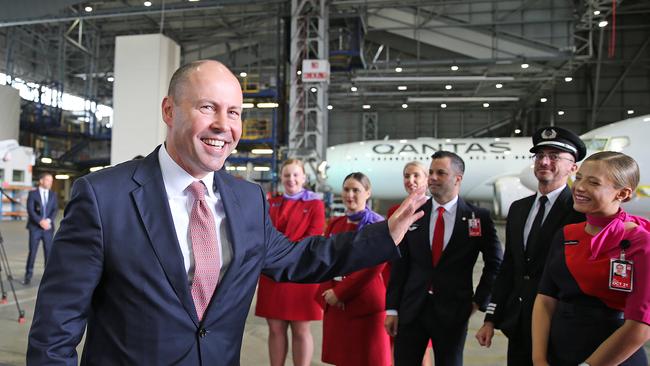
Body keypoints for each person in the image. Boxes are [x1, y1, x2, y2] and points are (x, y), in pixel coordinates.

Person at [26, 60, 427, 365]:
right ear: (169, 111)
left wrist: (385, 234)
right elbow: (56, 325)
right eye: (207, 107)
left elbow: (298, 258)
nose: (224, 125)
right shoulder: (102, 196)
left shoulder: (247, 199)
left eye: (234, 112)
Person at [475, 126, 586, 365]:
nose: (544, 161)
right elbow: (509, 267)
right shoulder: (519, 209)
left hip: (559, 325)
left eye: (554, 156)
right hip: (518, 323)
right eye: (539, 155)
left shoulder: (580, 213)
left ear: (573, 167)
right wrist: (491, 318)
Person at [532, 151, 650, 366]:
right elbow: (545, 298)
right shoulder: (566, 234)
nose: (579, 187)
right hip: (560, 353)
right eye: (579, 178)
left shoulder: (641, 242)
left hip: (614, 358)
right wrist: (539, 359)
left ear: (622, 194)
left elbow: (640, 325)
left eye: (593, 182)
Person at [386, 151, 503, 366]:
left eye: (441, 173)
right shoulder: (414, 212)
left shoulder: (478, 218)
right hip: (412, 309)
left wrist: (479, 300)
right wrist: (392, 308)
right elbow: (400, 262)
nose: (432, 177)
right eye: (431, 172)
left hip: (454, 312)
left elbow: (495, 263)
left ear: (457, 178)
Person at [255, 159, 325, 366]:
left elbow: (313, 237)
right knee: (275, 329)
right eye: (287, 175)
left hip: (301, 274)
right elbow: (263, 234)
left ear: (304, 178)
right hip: (273, 275)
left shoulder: (315, 204)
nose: (291, 180)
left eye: (296, 175)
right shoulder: (271, 203)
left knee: (301, 330)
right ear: (281, 178)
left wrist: (283, 253)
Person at [319, 172, 391, 366]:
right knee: (342, 360)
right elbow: (325, 260)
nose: (350, 195)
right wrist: (328, 294)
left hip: (364, 306)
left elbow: (373, 266)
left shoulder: (378, 225)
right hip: (335, 303)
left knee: (368, 360)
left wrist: (341, 292)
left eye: (356, 190)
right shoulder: (335, 224)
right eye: (346, 189)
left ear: (368, 193)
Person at [384, 161, 433, 366]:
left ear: (427, 179)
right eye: (407, 176)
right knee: (401, 350)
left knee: (423, 352)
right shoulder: (395, 211)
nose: (410, 181)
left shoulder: (434, 209)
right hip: (400, 290)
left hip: (425, 293)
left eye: (416, 176)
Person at [24, 172, 57, 286]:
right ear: (41, 181)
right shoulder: (33, 194)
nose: (50, 183)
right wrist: (40, 221)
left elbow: (54, 210)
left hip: (48, 228)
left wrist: (47, 221)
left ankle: (48, 277)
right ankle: (28, 276)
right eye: (48, 180)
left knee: (48, 254)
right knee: (32, 252)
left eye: (52, 181)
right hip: (35, 228)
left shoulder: (53, 195)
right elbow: (30, 210)